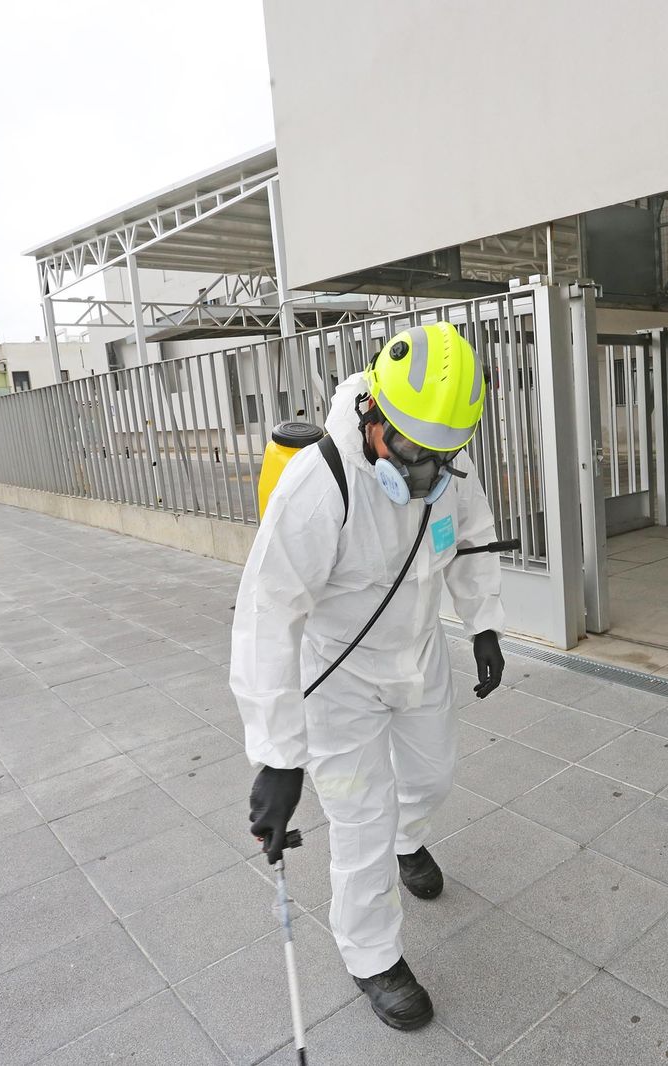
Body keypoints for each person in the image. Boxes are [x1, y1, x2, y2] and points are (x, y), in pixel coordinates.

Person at [230, 322, 507, 1031]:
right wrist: (277, 756)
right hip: (340, 676)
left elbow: (470, 537)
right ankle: (373, 957)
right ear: (371, 413)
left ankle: (408, 840)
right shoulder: (318, 486)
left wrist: (483, 623)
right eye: (413, 451)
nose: (426, 471)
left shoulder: (448, 461)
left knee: (433, 777)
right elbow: (267, 617)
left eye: (441, 456)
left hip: (418, 656)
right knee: (360, 819)